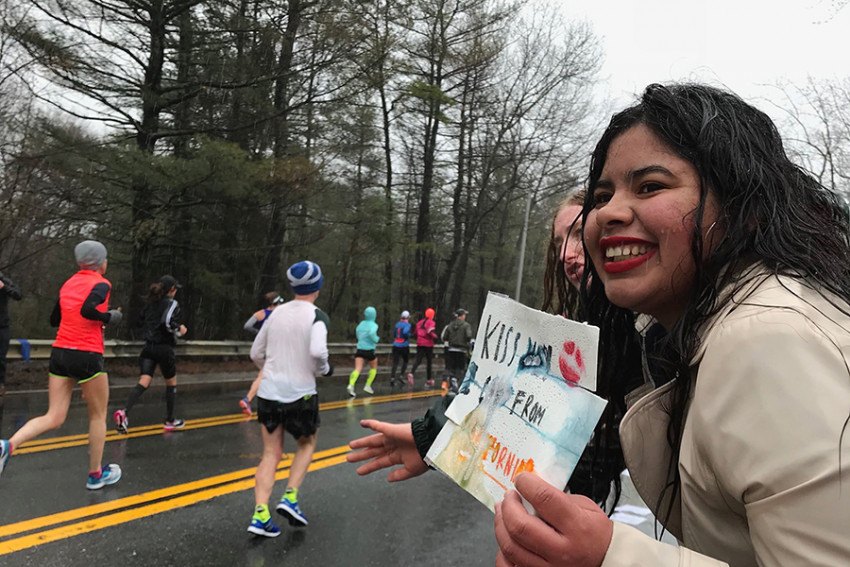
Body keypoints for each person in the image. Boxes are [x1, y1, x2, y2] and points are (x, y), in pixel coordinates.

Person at [350, 84, 850, 566]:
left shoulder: (767, 340)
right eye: (602, 195)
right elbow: (541, 406)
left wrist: (609, 556)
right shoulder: (659, 329)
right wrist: (438, 438)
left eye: (650, 186)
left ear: (743, 207)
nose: (609, 213)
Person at [0, 241, 123, 489]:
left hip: (60, 353)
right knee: (98, 416)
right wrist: (110, 317)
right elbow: (89, 310)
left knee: (53, 415)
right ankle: (95, 475)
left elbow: (55, 319)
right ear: (100, 263)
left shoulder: (68, 284)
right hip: (87, 354)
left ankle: (7, 445)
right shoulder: (102, 283)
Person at [247, 260, 333, 538]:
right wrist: (323, 370)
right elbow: (319, 351)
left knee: (271, 453)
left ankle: (260, 514)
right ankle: (290, 497)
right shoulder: (318, 315)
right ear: (317, 286)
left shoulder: (275, 314)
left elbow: (255, 353)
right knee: (307, 443)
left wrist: (271, 368)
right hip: (301, 393)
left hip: (269, 392)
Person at [113, 275, 188, 434]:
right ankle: (170, 420)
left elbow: (140, 321)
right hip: (164, 348)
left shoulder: (150, 304)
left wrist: (150, 332)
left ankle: (125, 412)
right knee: (171, 383)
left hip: (148, 348)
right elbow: (166, 322)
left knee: (144, 380)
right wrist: (178, 328)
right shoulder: (172, 303)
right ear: (172, 290)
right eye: (175, 289)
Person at [239, 292, 286, 415]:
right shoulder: (281, 315)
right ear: (278, 302)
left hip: (260, 349)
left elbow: (247, 326)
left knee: (265, 374)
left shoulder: (261, 313)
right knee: (270, 374)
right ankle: (250, 399)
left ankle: (252, 400)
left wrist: (259, 333)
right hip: (272, 349)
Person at [347, 306, 380, 397]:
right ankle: (368, 385)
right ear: (374, 315)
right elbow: (372, 333)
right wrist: (376, 339)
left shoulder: (361, 324)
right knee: (373, 367)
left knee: (358, 368)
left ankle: (351, 384)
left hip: (360, 349)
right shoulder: (374, 325)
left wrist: (361, 340)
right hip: (369, 350)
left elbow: (357, 332)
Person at [0, 271, 22, 397]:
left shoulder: (3, 280)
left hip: (2, 327)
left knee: (1, 358)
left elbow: (18, 294)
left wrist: (4, 287)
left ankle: (1, 384)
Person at [440, 308, 473, 391]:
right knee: (460, 367)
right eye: (464, 315)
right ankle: (455, 379)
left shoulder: (450, 325)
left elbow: (444, 337)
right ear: (461, 316)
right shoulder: (466, 325)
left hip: (451, 349)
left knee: (451, 367)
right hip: (461, 350)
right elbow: (468, 336)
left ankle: (449, 382)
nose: (465, 316)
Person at [406, 308, 438, 388]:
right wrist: (435, 336)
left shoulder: (419, 323)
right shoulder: (431, 322)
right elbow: (429, 331)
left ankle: (411, 373)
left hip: (420, 343)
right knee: (429, 362)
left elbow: (416, 333)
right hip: (428, 344)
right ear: (432, 315)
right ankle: (429, 379)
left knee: (418, 359)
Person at [389, 310, 412, 388]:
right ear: (408, 317)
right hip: (404, 345)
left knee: (395, 362)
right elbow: (405, 333)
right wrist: (408, 335)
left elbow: (395, 334)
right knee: (405, 361)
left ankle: (392, 378)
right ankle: (401, 376)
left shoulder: (397, 324)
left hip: (396, 344)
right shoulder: (407, 325)